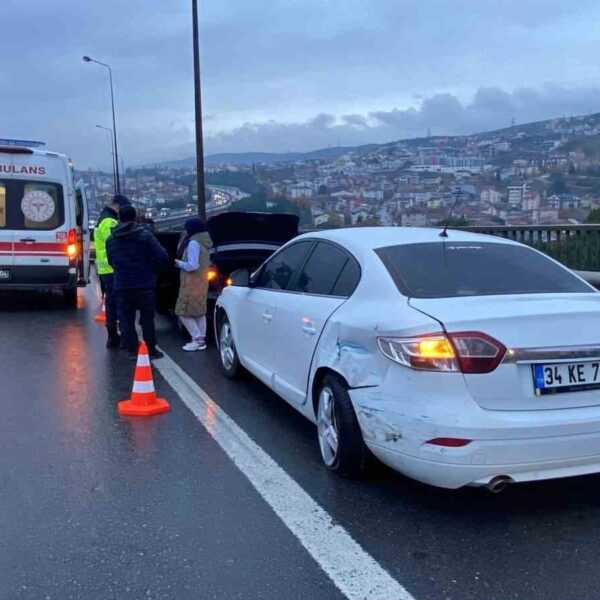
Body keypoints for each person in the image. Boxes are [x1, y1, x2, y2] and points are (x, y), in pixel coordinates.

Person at [106, 205, 169, 360]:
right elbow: (162, 256)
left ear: (119, 218)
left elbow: (111, 261)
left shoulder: (111, 239)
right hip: (145, 284)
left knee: (126, 319)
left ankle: (132, 350)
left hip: (122, 285)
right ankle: (151, 349)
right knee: (147, 319)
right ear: (135, 217)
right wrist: (154, 271)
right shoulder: (145, 236)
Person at [94, 194, 131, 348]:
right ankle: (116, 337)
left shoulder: (102, 218)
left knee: (111, 301)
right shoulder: (110, 221)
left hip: (105, 268)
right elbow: (117, 243)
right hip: (112, 268)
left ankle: (113, 336)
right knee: (117, 303)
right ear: (117, 205)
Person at [175, 217, 213, 351]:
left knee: (182, 312)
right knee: (199, 312)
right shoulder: (205, 242)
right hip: (201, 281)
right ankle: (201, 339)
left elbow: (193, 265)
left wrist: (179, 263)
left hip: (191, 282)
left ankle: (197, 339)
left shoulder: (193, 243)